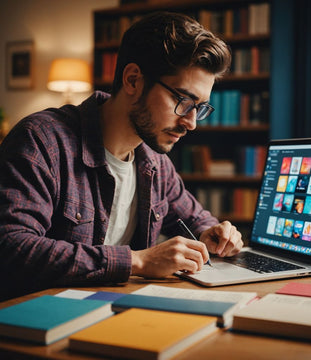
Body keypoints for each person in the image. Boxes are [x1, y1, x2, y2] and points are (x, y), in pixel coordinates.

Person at [0, 12, 243, 300]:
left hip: (115, 312)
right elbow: (11, 248)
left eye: (200, 107)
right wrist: (138, 262)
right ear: (133, 80)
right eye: (183, 101)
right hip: (34, 323)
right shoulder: (42, 140)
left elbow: (196, 219)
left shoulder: (155, 162)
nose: (192, 122)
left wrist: (214, 235)